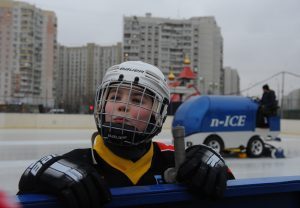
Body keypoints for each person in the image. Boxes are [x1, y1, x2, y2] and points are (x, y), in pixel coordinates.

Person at [17, 61, 234, 208]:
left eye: (138, 100)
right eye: (114, 97)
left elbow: (228, 187)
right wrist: (37, 174)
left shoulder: (177, 161)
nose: (123, 106)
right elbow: (23, 195)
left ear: (157, 113)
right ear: (102, 102)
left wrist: (214, 163)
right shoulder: (73, 165)